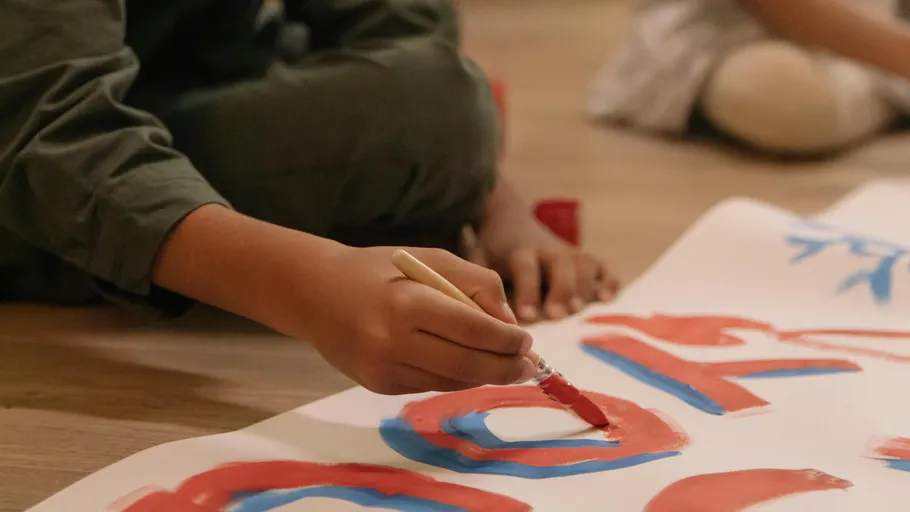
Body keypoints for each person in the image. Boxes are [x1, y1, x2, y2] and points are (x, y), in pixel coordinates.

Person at [0, 0, 618, 395]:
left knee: (437, 104)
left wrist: (492, 200)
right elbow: (51, 127)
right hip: (36, 131)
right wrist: (309, 288)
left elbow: (404, 36)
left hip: (184, 83)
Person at [588, 0, 910, 157]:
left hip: (876, 25)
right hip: (725, 36)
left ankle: (880, 87)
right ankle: (886, 91)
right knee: (781, 96)